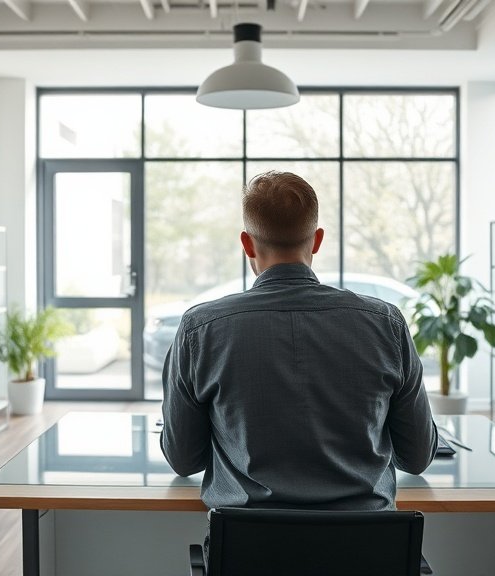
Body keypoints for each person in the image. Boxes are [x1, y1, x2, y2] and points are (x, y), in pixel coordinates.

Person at [161, 170, 438, 515]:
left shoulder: (200, 330)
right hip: (367, 555)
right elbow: (417, 457)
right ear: (317, 240)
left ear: (247, 243)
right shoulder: (387, 324)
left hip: (249, 556)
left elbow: (184, 459)